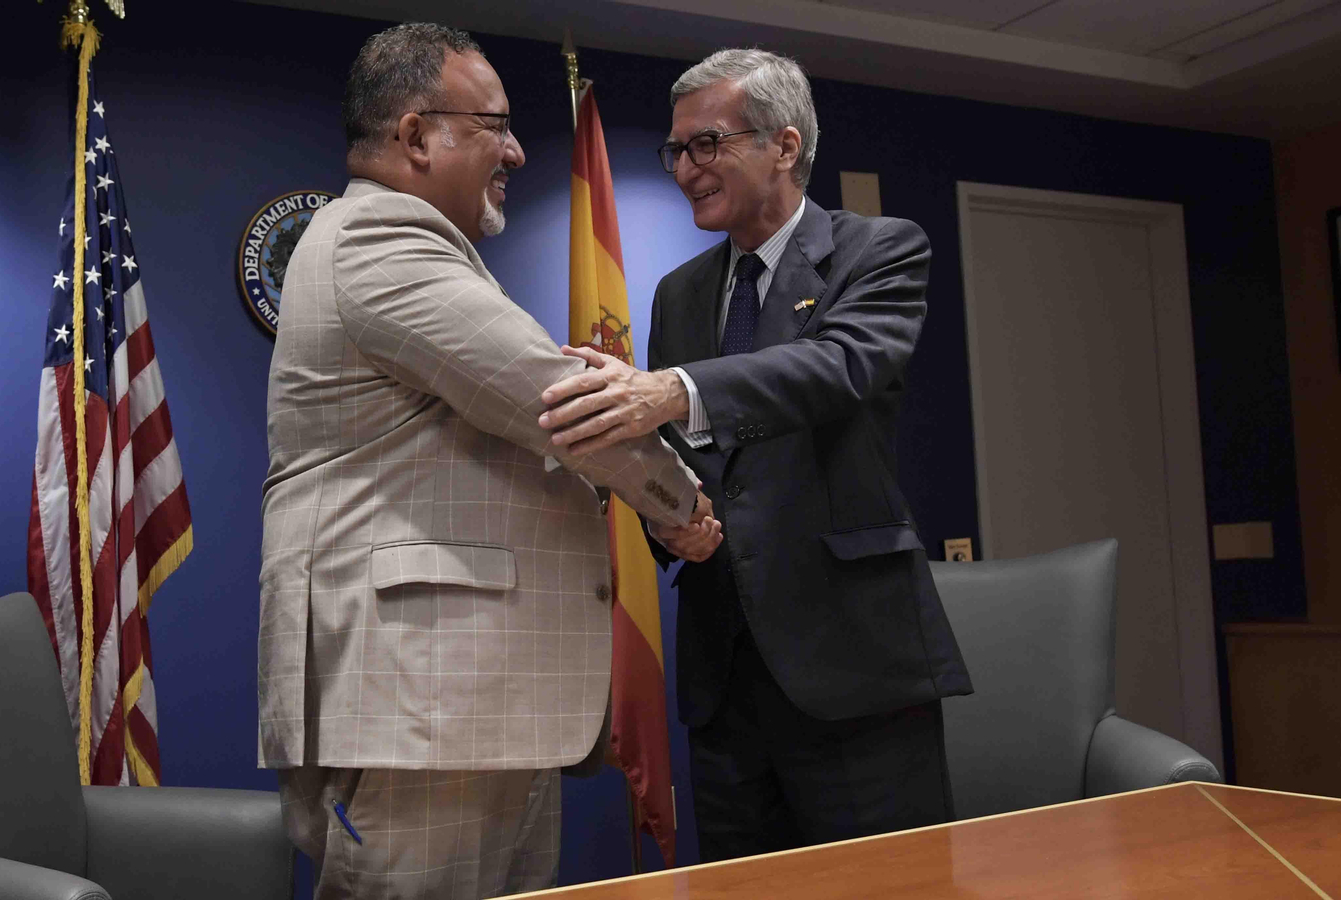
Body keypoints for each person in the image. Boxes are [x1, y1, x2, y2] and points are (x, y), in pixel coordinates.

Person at [257, 23, 711, 899]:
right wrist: (680, 503)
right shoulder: (377, 241)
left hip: (468, 706)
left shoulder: (408, 246)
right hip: (424, 704)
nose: (513, 148)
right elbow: (553, 400)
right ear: (417, 135)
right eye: (493, 124)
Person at [537, 48, 971, 860]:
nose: (686, 169)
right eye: (677, 150)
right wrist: (671, 516)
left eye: (709, 144)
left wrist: (669, 389)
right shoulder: (681, 293)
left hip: (854, 675)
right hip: (725, 682)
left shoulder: (877, 250)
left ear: (785, 144)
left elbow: (839, 366)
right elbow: (683, 453)